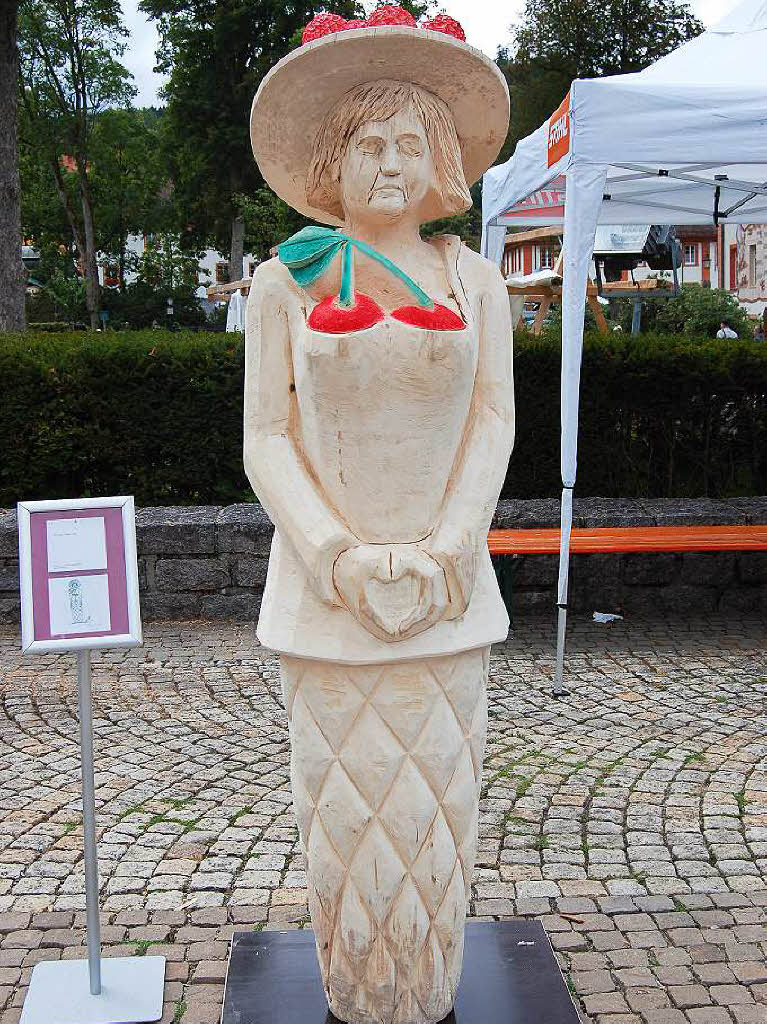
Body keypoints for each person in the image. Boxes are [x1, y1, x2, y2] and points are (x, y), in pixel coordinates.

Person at [245, 19, 511, 1024]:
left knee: (434, 809)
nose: (388, 163)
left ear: (441, 160)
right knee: (345, 814)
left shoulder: (472, 279)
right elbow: (267, 438)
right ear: (332, 159)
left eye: (408, 142)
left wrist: (450, 542)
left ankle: (428, 988)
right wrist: (333, 553)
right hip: (325, 597)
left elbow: (490, 420)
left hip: (449, 591)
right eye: (368, 143)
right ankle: (355, 994)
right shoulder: (284, 280)